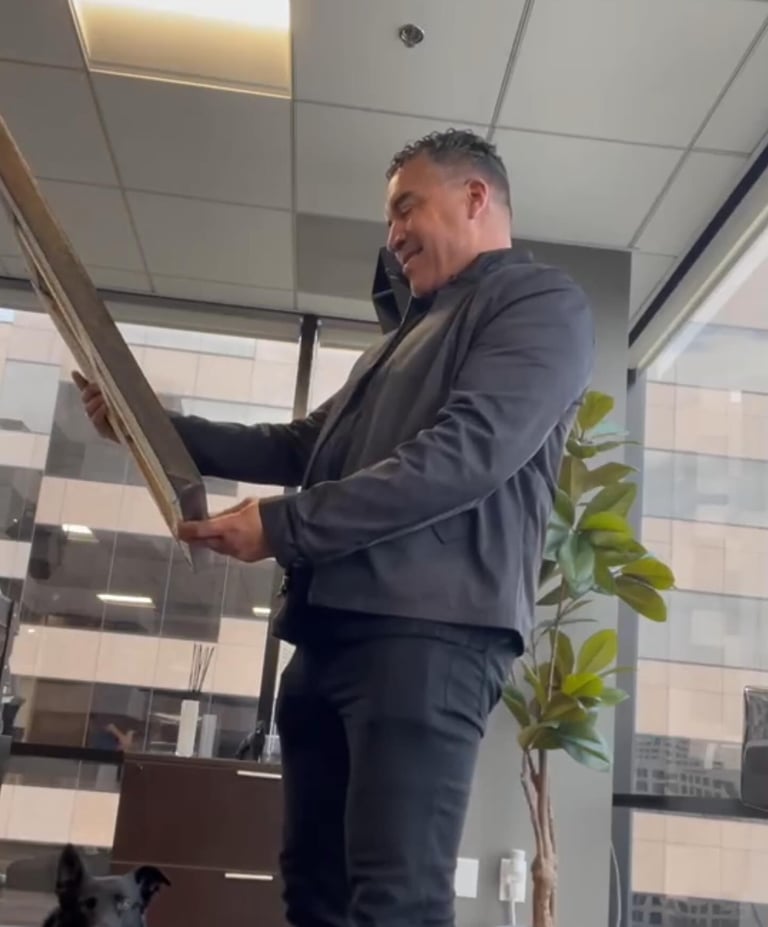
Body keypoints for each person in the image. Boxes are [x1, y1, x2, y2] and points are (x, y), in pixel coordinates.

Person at [75, 128, 594, 927]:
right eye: (390, 217)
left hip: (428, 638)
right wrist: (148, 425)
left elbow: (467, 453)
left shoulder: (538, 304)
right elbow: (300, 446)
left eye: (406, 208)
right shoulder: (397, 345)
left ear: (475, 196)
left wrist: (283, 527)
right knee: (313, 896)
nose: (393, 234)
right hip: (327, 640)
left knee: (395, 903)